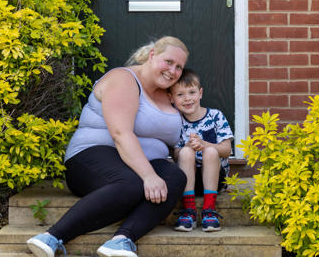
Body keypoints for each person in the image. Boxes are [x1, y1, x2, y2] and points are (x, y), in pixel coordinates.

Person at [26, 36, 189, 257]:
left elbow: (173, 140)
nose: (173, 70)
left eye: (179, 67)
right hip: (91, 157)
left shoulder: (168, 94)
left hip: (139, 162)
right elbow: (120, 134)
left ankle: (121, 241)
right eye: (168, 62)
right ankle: (51, 237)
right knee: (132, 184)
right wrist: (149, 176)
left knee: (175, 178)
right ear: (152, 55)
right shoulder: (124, 79)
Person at [169, 69, 234, 232]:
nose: (187, 98)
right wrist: (187, 147)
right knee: (185, 152)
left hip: (214, 180)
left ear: (200, 93)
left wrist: (204, 144)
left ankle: (209, 210)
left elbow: (226, 150)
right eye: (180, 95)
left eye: (191, 92)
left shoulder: (215, 116)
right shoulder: (174, 121)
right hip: (187, 181)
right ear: (171, 98)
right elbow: (175, 155)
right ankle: (189, 211)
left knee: (211, 152)